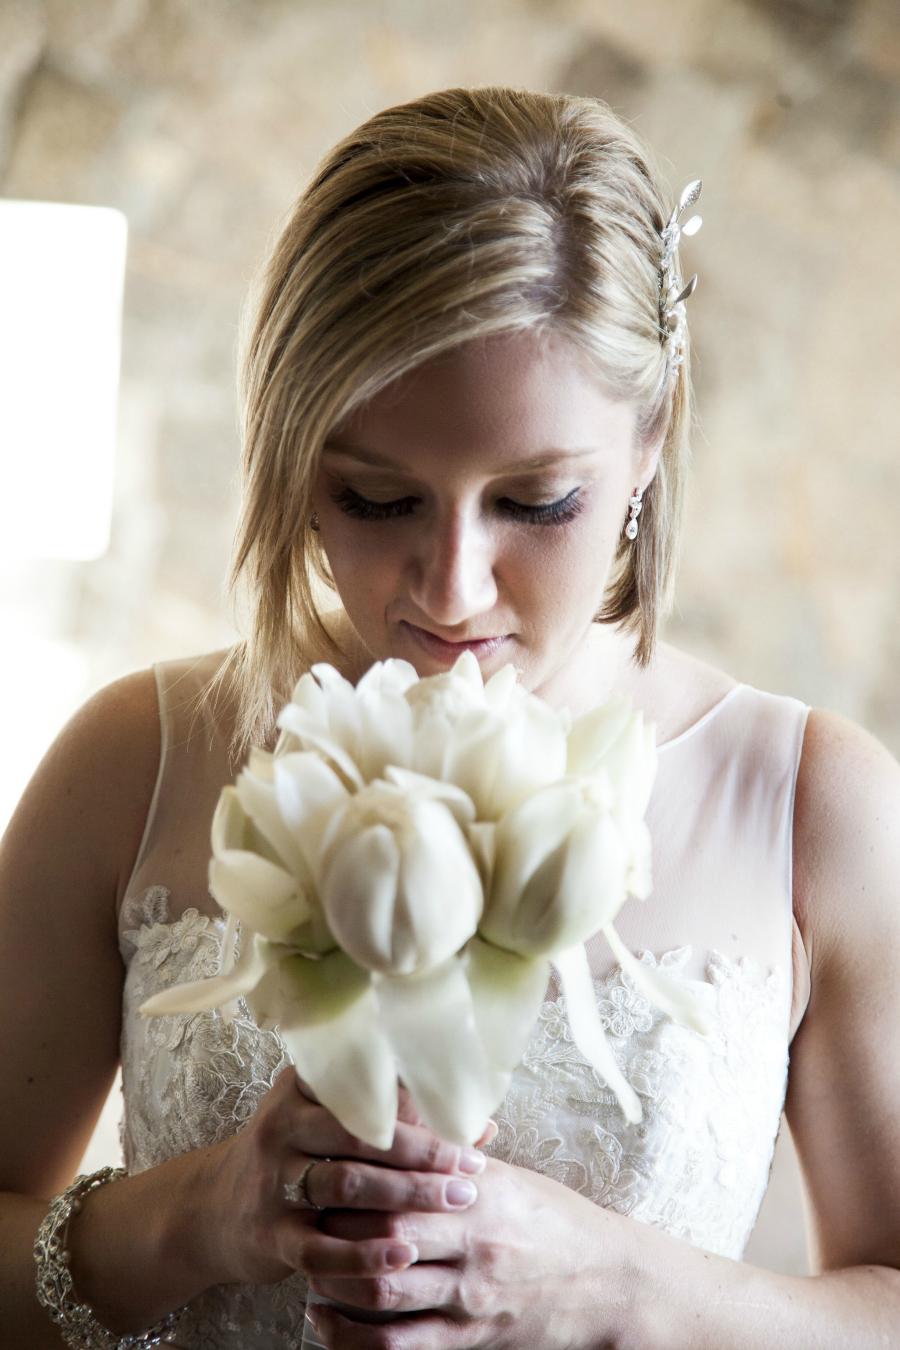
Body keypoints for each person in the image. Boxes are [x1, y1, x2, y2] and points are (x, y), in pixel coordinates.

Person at [1, 85, 899, 1350]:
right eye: (376, 499)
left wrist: (617, 1290)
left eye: (535, 503)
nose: (451, 591)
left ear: (649, 444)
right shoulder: (129, 762)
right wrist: (196, 1218)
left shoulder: (813, 806)